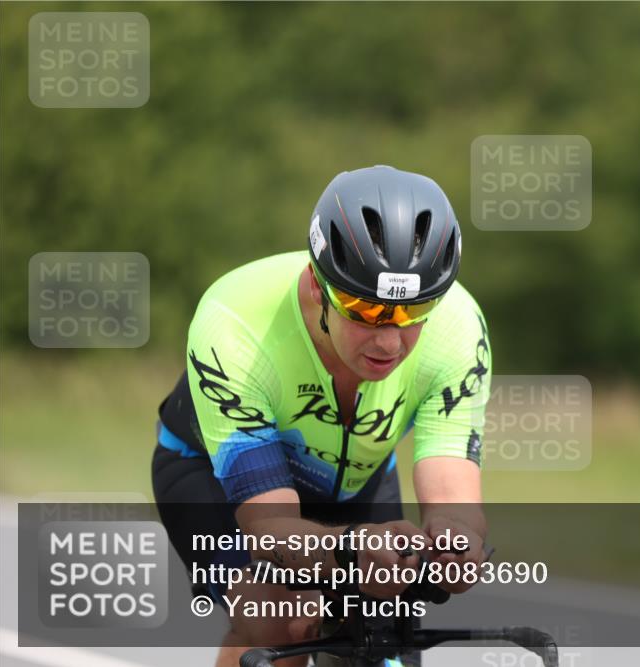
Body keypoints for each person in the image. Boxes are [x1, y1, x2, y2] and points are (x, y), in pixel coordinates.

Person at [151, 165, 491, 667]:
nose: (388, 341)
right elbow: (269, 530)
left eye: (413, 313)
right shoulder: (236, 322)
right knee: (283, 622)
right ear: (316, 285)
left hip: (357, 480)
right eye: (363, 310)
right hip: (214, 476)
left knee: (382, 638)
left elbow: (452, 495)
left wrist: (456, 546)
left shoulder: (459, 326)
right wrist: (353, 552)